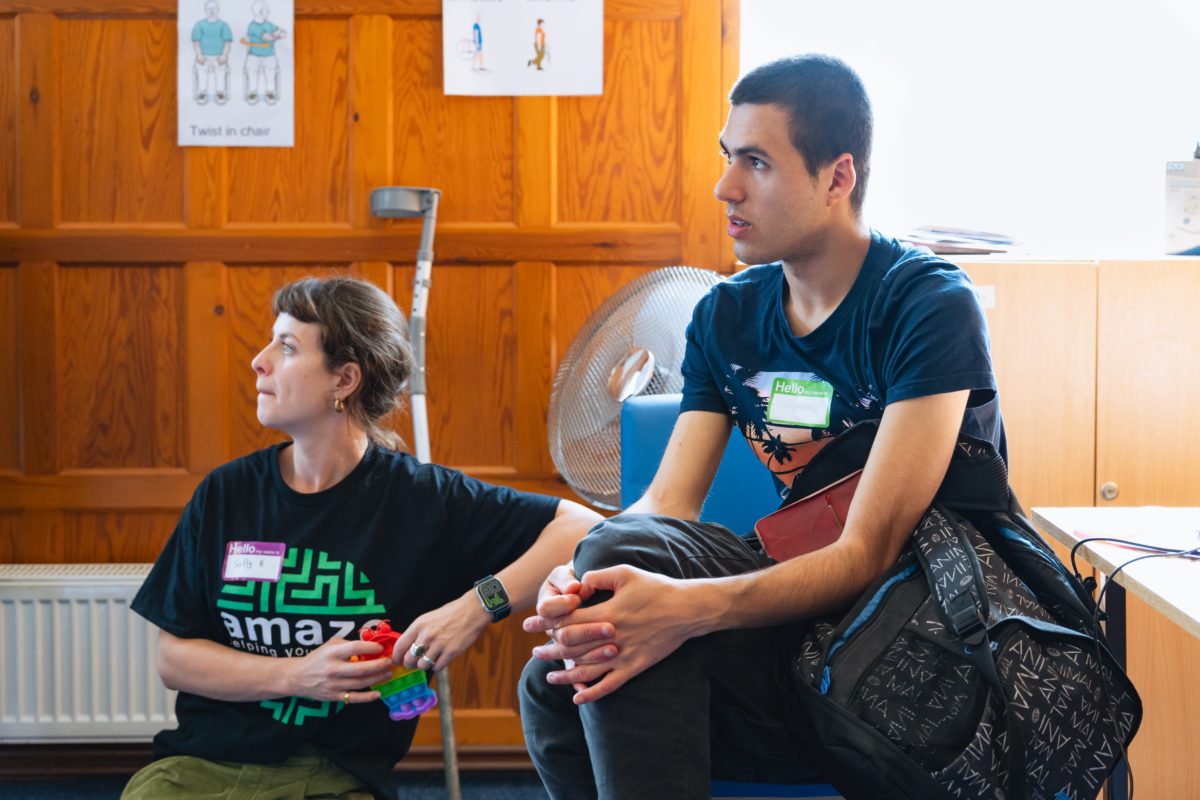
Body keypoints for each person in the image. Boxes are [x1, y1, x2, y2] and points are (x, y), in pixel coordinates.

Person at [518, 54, 1006, 799]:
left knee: (610, 622)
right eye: (726, 157)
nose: (725, 188)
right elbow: (667, 503)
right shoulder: (726, 314)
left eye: (756, 162)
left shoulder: (926, 304)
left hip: (921, 641)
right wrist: (587, 572)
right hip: (794, 625)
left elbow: (868, 551)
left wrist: (678, 607)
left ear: (838, 177)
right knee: (561, 668)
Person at [122, 276, 600, 799]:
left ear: (344, 379)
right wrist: (297, 676)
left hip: (337, 779)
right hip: (199, 768)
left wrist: (474, 608)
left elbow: (580, 527)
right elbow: (173, 660)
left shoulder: (423, 499)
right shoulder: (226, 493)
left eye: (286, 347)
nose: (259, 360)